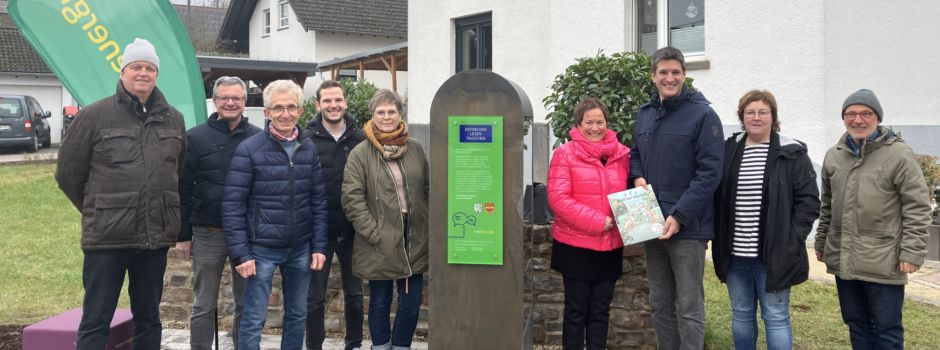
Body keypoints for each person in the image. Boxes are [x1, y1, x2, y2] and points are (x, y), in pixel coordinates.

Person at [55, 38, 186, 350]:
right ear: (123, 70)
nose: (143, 73)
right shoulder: (94, 115)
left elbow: (176, 171)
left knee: (149, 318)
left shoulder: (174, 119)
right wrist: (102, 209)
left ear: (156, 73)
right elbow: (68, 174)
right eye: (136, 67)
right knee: (96, 319)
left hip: (154, 239)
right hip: (108, 240)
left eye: (149, 68)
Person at [815, 89, 931, 349]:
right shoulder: (835, 154)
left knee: (886, 330)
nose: (858, 120)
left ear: (877, 117)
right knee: (857, 324)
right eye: (851, 114)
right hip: (845, 258)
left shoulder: (899, 155)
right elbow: (828, 205)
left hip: (884, 260)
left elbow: (917, 206)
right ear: (843, 118)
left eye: (866, 113)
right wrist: (822, 242)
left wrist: (912, 252)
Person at [222, 79, 329, 350]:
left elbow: (318, 201)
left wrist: (319, 246)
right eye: (278, 107)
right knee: (254, 317)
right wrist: (241, 254)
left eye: (291, 107)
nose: (285, 113)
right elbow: (233, 205)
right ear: (267, 112)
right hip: (261, 250)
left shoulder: (309, 148)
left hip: (301, 248)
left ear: (301, 111)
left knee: (296, 315)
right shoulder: (249, 149)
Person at [629, 46, 724, 350]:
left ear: (685, 75)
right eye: (663, 73)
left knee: (689, 306)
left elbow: (710, 173)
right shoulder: (645, 114)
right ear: (653, 77)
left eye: (676, 72)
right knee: (659, 302)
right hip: (651, 222)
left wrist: (679, 215)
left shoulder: (703, 115)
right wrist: (638, 176)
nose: (669, 78)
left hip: (687, 227)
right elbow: (635, 155)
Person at [712, 90, 820, 350]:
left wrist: (791, 241)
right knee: (741, 314)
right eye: (750, 112)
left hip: (774, 256)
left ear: (773, 116)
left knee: (776, 316)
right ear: (742, 117)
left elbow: (809, 203)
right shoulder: (729, 150)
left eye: (763, 112)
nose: (756, 117)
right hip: (735, 254)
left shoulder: (792, 152)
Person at [177, 76, 261, 349]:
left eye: (236, 98)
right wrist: (183, 235)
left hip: (248, 236)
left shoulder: (259, 138)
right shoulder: (195, 137)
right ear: (214, 101)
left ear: (245, 102)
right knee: (203, 303)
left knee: (246, 302)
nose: (230, 103)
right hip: (207, 232)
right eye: (224, 97)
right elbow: (183, 188)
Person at [341, 89, 429, 350]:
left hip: (412, 237)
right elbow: (352, 197)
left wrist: (425, 223)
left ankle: (401, 346)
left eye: (392, 111)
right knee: (379, 301)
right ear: (372, 115)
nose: (387, 116)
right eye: (381, 111)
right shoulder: (360, 153)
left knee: (411, 302)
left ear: (400, 114)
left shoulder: (415, 148)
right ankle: (380, 345)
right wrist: (373, 231)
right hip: (378, 238)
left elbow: (427, 188)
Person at [547, 98, 629, 350]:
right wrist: (597, 221)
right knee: (576, 312)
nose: (595, 127)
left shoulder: (623, 154)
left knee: (601, 312)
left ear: (607, 122)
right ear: (578, 125)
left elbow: (631, 189)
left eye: (600, 121)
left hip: (610, 246)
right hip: (576, 247)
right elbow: (558, 199)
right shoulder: (564, 154)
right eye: (589, 122)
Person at [303, 80, 366, 350]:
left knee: (354, 294)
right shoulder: (305, 138)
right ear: (318, 105)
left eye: (338, 100)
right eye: (327, 101)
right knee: (314, 297)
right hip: (318, 232)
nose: (333, 105)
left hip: (353, 231)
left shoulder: (361, 138)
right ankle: (314, 345)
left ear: (345, 102)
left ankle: (354, 344)